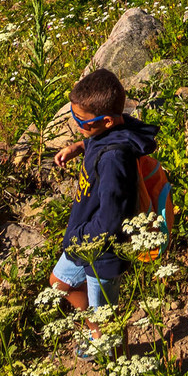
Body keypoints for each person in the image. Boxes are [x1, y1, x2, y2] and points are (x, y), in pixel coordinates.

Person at [51, 67, 161, 313]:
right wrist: (81, 145)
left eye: (81, 121)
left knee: (105, 315)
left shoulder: (114, 159)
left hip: (101, 251)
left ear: (107, 121)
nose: (76, 122)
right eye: (73, 115)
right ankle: (95, 334)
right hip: (86, 239)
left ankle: (104, 344)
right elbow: (99, 138)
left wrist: (78, 238)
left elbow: (111, 218)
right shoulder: (109, 134)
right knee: (59, 283)